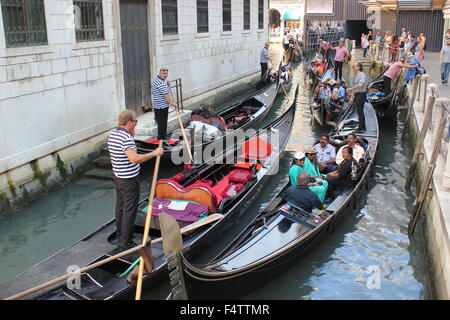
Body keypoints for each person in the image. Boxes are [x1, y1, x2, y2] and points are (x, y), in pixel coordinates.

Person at [108, 110, 164, 247]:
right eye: (135, 121)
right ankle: (126, 240)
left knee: (120, 206)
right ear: (129, 122)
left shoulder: (113, 134)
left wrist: (131, 134)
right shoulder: (126, 139)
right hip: (129, 180)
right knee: (129, 209)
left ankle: (121, 233)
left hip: (118, 177)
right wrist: (154, 153)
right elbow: (134, 159)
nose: (136, 123)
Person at [152, 67, 177, 140]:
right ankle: (161, 140)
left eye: (166, 73)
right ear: (159, 73)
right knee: (162, 124)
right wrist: (173, 103)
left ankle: (162, 139)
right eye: (164, 73)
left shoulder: (158, 80)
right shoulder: (161, 83)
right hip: (161, 107)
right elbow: (166, 96)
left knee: (161, 124)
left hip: (158, 106)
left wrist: (167, 85)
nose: (165, 75)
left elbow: (163, 90)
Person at [347, 62, 367, 133]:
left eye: (354, 66)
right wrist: (351, 99)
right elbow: (355, 89)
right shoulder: (356, 76)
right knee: (358, 111)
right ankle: (362, 126)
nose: (353, 68)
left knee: (360, 111)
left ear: (358, 67)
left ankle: (361, 128)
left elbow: (361, 85)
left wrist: (351, 88)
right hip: (357, 95)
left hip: (361, 95)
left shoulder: (362, 75)